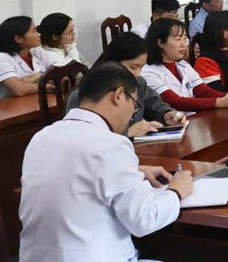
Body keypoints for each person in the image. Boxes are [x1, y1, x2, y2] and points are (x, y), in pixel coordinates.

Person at [19, 62, 195, 262]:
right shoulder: (111, 144)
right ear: (118, 95)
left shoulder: (42, 136)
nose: (131, 115)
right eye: (134, 105)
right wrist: (176, 191)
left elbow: (72, 171)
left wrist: (135, 170)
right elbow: (145, 219)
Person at [66, 32, 187, 138]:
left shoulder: (139, 83)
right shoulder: (83, 95)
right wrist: (127, 132)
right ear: (113, 63)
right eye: (133, 67)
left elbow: (154, 105)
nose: (138, 73)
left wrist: (166, 115)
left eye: (141, 67)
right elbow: (81, 137)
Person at [141, 18, 228, 111]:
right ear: (160, 43)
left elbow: (204, 91)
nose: (183, 45)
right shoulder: (148, 72)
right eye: (178, 39)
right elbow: (176, 102)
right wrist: (221, 102)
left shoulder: (183, 65)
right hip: (171, 124)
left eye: (185, 39)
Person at [1, 16, 54, 100]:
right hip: (12, 106)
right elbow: (19, 89)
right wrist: (48, 85)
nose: (39, 34)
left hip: (38, 101)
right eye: (34, 31)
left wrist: (36, 77)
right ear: (18, 39)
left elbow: (60, 76)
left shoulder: (37, 52)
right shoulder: (3, 58)